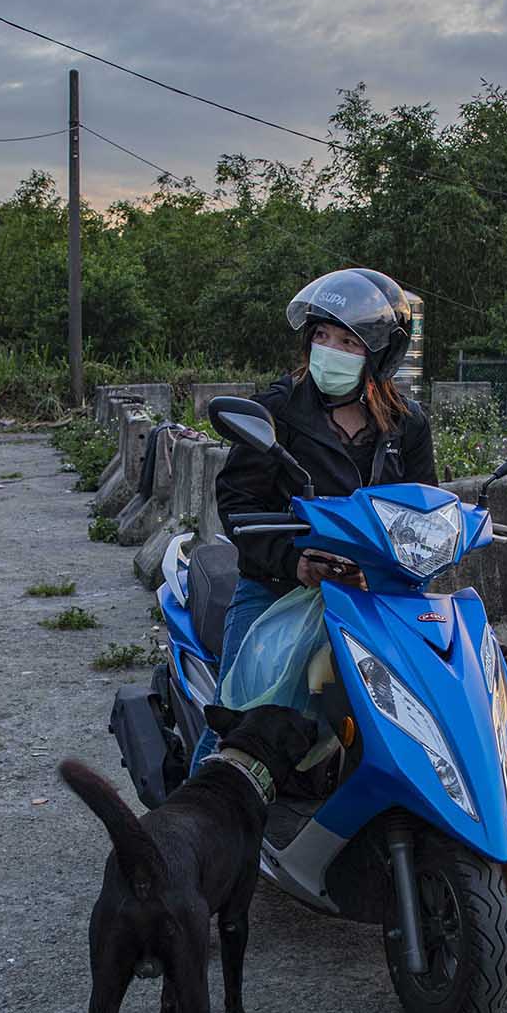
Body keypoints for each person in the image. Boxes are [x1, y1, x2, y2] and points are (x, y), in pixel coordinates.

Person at [195, 268, 437, 763]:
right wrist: (294, 561)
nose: (329, 350)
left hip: (373, 598)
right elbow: (238, 504)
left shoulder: (407, 426)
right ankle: (191, 817)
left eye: (348, 341)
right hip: (277, 588)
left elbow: (422, 508)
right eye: (321, 336)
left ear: (378, 355)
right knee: (240, 717)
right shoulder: (279, 411)